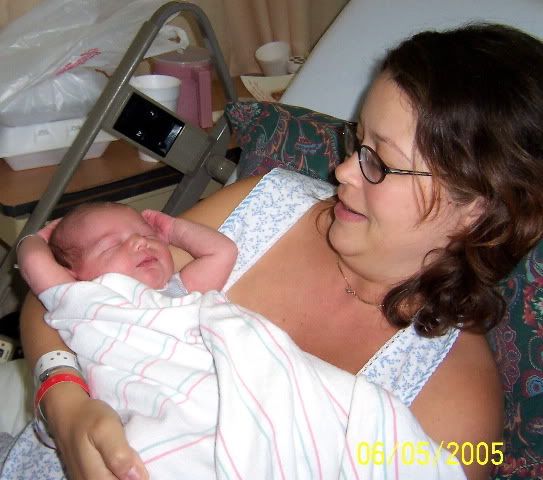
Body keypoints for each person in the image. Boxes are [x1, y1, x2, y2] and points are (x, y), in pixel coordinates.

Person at [15, 23, 543, 480]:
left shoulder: (455, 408)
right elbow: (67, 293)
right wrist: (63, 403)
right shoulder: (264, 206)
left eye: (379, 162)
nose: (342, 171)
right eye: (356, 141)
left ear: (476, 208)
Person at [17, 202, 237, 297]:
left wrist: (173, 229)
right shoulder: (83, 299)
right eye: (113, 245)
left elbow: (223, 251)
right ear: (74, 274)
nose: (140, 242)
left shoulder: (179, 292)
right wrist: (42, 238)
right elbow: (34, 259)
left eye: (148, 235)